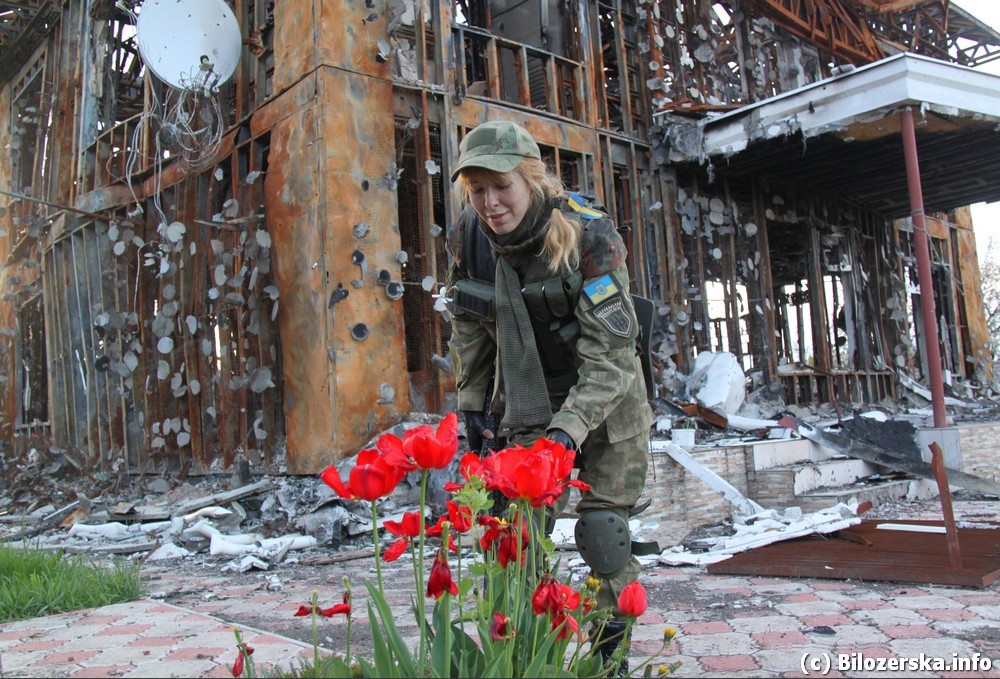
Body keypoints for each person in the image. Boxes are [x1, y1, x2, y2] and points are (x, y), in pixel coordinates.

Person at [445, 119, 653, 671]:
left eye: (501, 186)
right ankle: (530, 655)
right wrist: (471, 408)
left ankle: (611, 663)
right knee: (511, 536)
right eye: (477, 189)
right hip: (530, 396)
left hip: (606, 401)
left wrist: (568, 433)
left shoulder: (589, 235)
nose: (490, 203)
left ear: (532, 179)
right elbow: (469, 326)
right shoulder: (470, 237)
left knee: (603, 533)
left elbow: (611, 359)